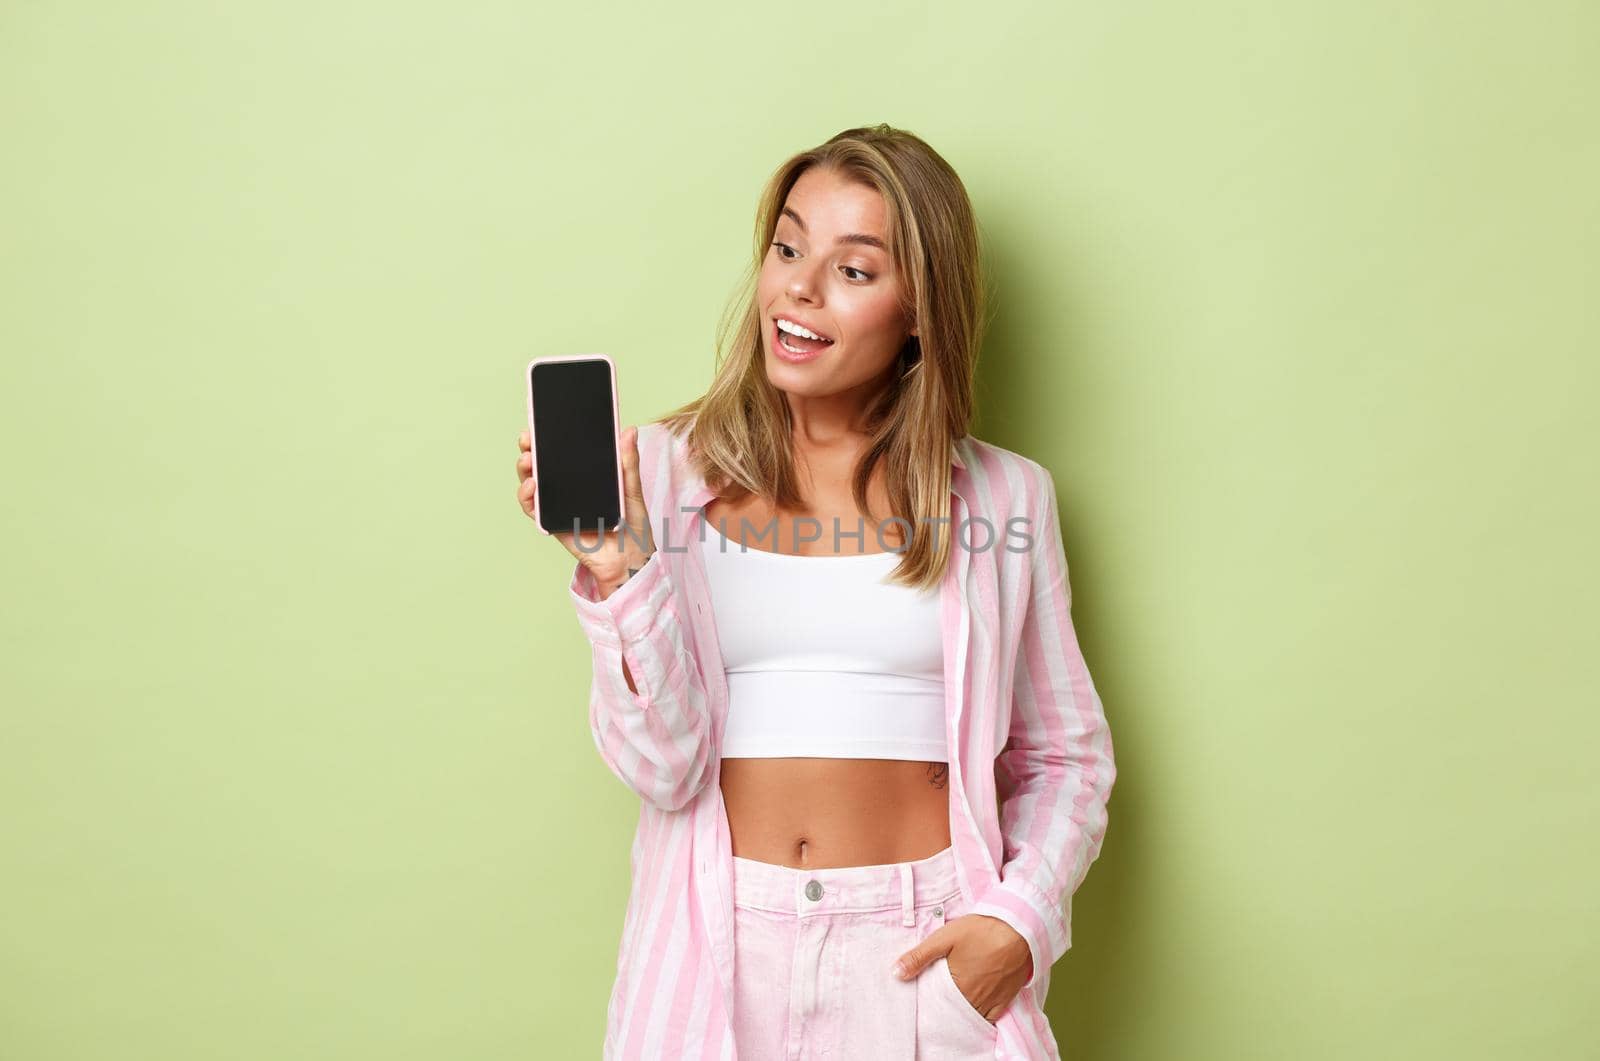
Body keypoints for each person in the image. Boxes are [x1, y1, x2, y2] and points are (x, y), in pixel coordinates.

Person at [515, 124, 1115, 1060]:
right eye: (788, 248)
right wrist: (621, 568)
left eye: (854, 268)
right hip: (722, 948)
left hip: (921, 953)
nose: (798, 286)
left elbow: (1065, 759)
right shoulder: (664, 479)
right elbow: (664, 768)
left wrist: (1017, 925)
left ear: (922, 310)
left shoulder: (1003, 498)